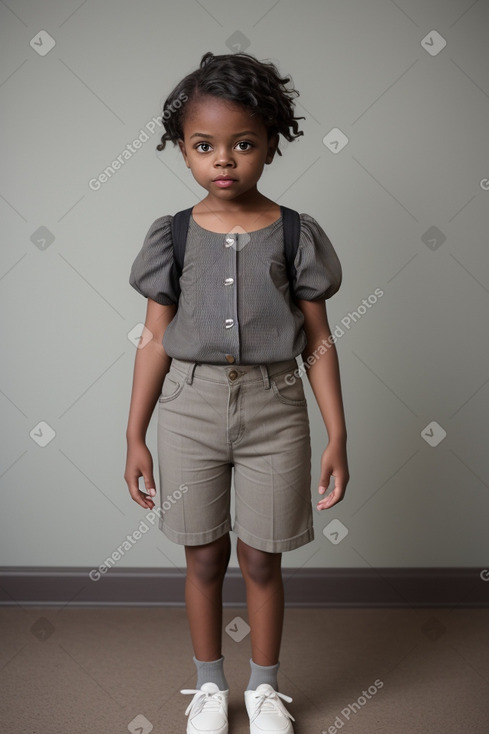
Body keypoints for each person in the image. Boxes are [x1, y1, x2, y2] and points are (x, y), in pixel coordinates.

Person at [124, 51, 349, 734]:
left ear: (270, 145)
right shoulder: (173, 236)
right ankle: (206, 688)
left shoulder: (293, 232)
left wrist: (337, 433)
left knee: (260, 556)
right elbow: (153, 340)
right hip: (188, 409)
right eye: (204, 146)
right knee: (202, 555)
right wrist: (133, 434)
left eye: (242, 144)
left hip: (274, 407)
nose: (224, 161)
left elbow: (317, 342)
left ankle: (265, 690)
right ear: (183, 151)